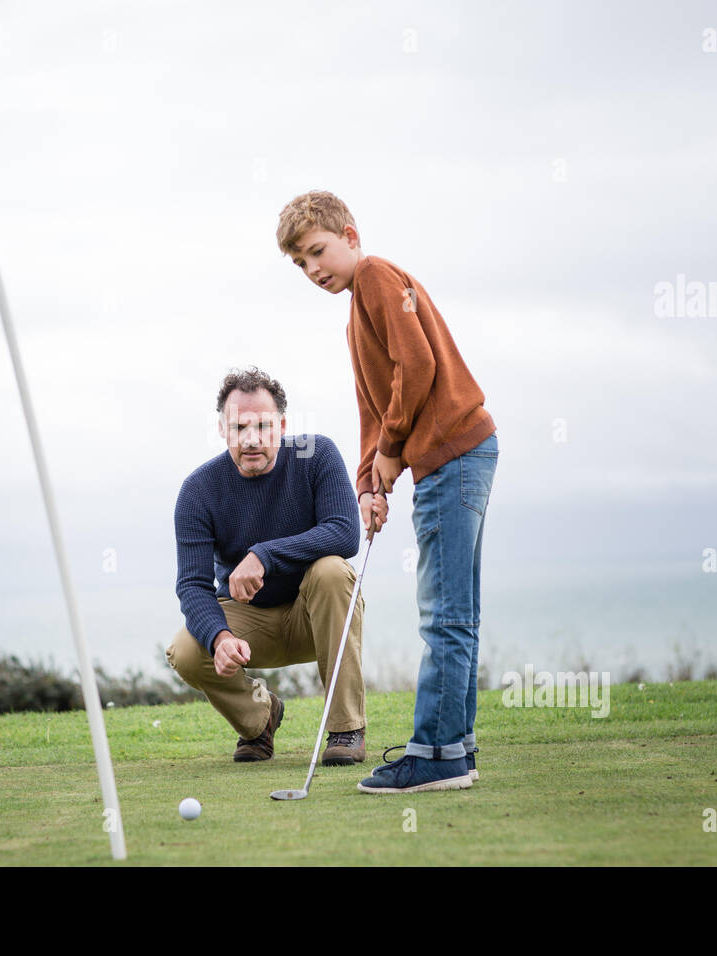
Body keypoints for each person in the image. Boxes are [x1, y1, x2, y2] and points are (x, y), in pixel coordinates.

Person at [276, 191, 498, 794]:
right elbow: (373, 405)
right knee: (457, 613)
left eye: (318, 251)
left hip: (451, 453)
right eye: (300, 263)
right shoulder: (355, 311)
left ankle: (438, 756)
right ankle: (458, 747)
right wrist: (370, 481)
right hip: (451, 456)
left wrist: (394, 452)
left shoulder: (375, 275)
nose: (313, 269)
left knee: (445, 615)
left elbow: (418, 366)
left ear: (350, 235)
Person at [166, 367, 369, 765]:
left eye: (263, 426)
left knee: (332, 570)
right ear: (224, 430)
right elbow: (192, 585)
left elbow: (345, 533)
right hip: (249, 626)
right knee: (187, 650)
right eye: (240, 427)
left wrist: (264, 554)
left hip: (317, 618)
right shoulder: (198, 490)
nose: (252, 439)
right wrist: (221, 638)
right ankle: (260, 721)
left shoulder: (318, 455)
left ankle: (346, 731)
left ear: (283, 426)